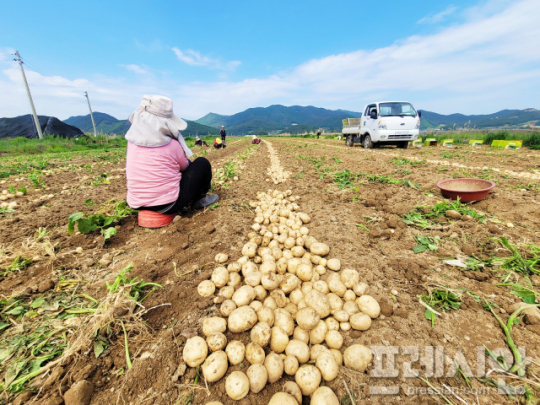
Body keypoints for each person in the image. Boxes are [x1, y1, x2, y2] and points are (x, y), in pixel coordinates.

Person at [125, 95, 218, 215]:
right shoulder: (172, 144)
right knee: (201, 162)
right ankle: (199, 200)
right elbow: (185, 167)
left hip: (135, 204)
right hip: (169, 205)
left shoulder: (131, 142)